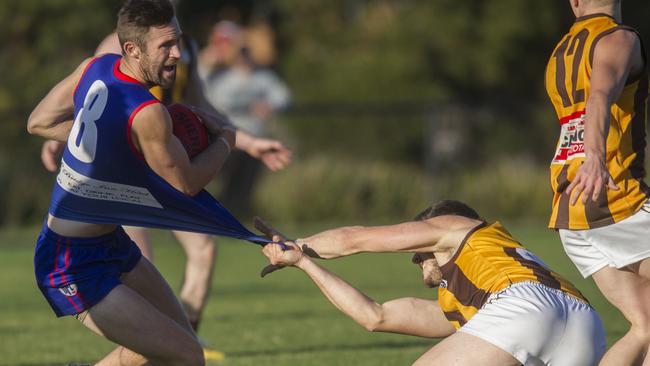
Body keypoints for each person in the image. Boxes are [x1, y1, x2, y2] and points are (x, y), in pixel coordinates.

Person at [26, 0, 251, 364]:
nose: (177, 53)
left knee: (169, 344)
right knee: (188, 355)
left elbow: (40, 121)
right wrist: (226, 140)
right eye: (165, 46)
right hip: (68, 261)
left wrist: (110, 146)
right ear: (131, 48)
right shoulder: (147, 113)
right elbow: (186, 186)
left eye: (177, 41)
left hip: (111, 243)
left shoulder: (94, 69)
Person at [257, 200, 606, 366]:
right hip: (586, 324)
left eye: (420, 248)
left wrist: (296, 244)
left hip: (522, 306)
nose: (414, 256)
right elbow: (374, 316)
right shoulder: (467, 304)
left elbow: (355, 238)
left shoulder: (452, 225)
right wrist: (302, 263)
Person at [545, 1, 649, 364]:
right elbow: (599, 97)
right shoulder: (617, 38)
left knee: (645, 327)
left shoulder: (562, 51)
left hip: (569, 209)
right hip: (614, 199)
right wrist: (595, 158)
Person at [198, 21, 291, 215]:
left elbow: (283, 97)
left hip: (255, 136)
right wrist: (205, 64)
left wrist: (269, 105)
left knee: (244, 187)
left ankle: (237, 216)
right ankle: (218, 216)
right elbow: (201, 95)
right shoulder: (220, 76)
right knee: (221, 182)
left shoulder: (262, 76)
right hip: (227, 138)